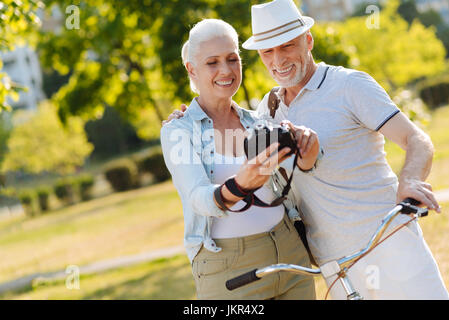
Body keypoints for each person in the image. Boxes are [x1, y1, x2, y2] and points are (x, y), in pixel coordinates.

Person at [165, 0, 448, 300]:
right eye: (267, 51)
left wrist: (411, 180)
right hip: (332, 264)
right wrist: (184, 118)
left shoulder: (349, 85)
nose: (278, 60)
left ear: (308, 41)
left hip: (389, 240)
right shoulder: (265, 113)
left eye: (287, 46)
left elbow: (417, 140)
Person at [160, 18, 320, 300]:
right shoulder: (178, 130)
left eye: (232, 59)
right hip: (228, 269)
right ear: (191, 69)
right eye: (213, 62)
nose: (226, 70)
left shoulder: (259, 119)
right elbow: (198, 197)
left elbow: (291, 180)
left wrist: (307, 154)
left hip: (289, 252)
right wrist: (240, 185)